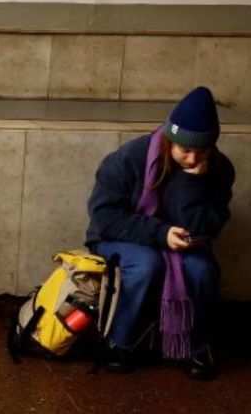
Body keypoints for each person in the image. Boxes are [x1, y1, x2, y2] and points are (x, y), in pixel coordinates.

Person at [86, 86, 234, 380]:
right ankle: (120, 342)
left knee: (202, 270)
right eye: (185, 150)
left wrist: (192, 184)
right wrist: (160, 233)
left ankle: (197, 346)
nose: (193, 159)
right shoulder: (129, 158)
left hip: (184, 243)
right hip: (120, 236)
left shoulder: (218, 169)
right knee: (145, 265)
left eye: (201, 150)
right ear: (169, 140)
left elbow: (211, 224)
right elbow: (105, 217)